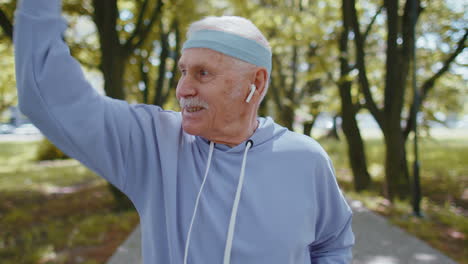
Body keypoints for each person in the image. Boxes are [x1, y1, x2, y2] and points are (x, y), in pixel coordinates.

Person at [14, 0, 355, 263]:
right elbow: (44, 92)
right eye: (182, 72)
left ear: (256, 82)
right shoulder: (154, 144)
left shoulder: (305, 159)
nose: (183, 89)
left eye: (203, 73)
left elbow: (332, 242)